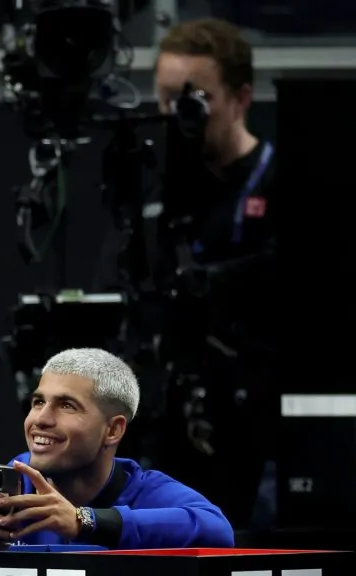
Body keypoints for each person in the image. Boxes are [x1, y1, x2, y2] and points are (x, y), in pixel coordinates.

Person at [0, 348, 233, 569]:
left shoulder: (143, 489)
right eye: (38, 401)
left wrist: (82, 522)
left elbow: (217, 531)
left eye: (66, 405)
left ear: (113, 430)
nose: (41, 419)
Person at [152, 18, 277, 529]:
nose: (176, 116)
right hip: (169, 422)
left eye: (195, 100)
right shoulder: (157, 191)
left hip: (259, 425)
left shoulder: (281, 182)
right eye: (164, 100)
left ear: (241, 97)